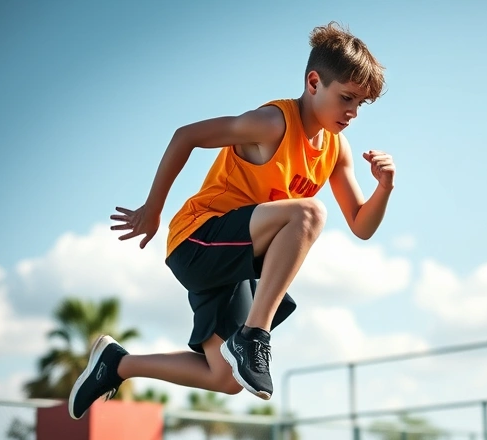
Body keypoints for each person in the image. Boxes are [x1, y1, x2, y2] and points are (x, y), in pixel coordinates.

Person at [67, 22, 395, 419]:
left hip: (236, 257)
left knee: (225, 379)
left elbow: (361, 225)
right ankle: (254, 335)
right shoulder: (273, 124)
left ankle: (117, 364)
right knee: (309, 211)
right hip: (199, 239)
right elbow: (185, 135)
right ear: (313, 82)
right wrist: (153, 208)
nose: (353, 112)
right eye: (347, 98)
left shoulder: (335, 149)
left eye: (361, 104)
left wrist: (384, 188)